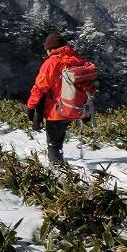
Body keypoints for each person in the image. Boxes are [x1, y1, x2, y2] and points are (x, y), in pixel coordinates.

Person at [27, 33, 90, 165]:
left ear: (51, 48)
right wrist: (87, 109)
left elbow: (39, 87)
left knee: (53, 143)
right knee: (59, 135)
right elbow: (88, 86)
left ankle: (58, 171)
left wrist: (31, 106)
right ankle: (59, 156)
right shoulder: (78, 60)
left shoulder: (51, 62)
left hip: (57, 111)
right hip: (75, 109)